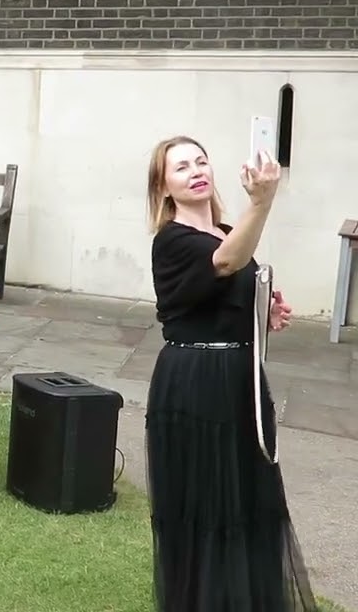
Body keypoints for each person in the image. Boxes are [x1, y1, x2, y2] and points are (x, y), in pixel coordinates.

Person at [144, 137, 316, 611]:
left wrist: (265, 313)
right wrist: (261, 203)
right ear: (164, 187)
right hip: (195, 380)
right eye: (181, 167)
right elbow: (225, 263)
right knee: (206, 502)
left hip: (239, 377)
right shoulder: (173, 240)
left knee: (247, 498)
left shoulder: (226, 228)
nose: (196, 170)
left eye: (200, 161)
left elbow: (230, 287)